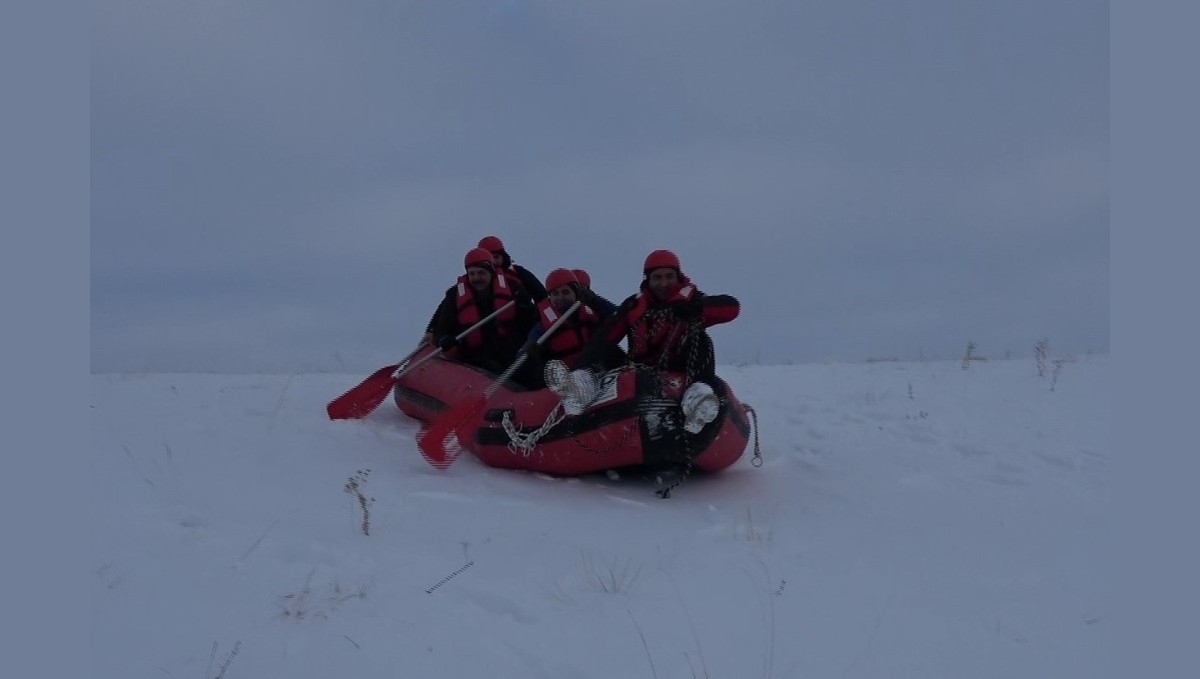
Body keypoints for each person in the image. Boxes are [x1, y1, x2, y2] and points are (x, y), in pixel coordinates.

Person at [558, 249, 740, 432]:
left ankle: (699, 398)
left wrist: (696, 308)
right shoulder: (634, 306)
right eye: (657, 277)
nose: (663, 283)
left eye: (669, 276)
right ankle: (581, 387)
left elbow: (731, 307)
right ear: (648, 280)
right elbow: (604, 338)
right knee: (606, 350)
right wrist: (579, 368)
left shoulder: (692, 300)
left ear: (678, 277)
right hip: (638, 371)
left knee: (701, 339)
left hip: (679, 368)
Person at [428, 247, 537, 374]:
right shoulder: (455, 295)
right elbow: (443, 326)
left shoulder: (513, 289)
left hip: (509, 353)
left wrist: (526, 307)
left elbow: (529, 323)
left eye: (481, 273)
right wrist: (444, 339)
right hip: (472, 356)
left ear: (491, 272)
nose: (476, 278)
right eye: (472, 274)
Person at [513, 268, 612, 389]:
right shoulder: (543, 326)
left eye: (565, 292)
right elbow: (523, 355)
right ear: (550, 297)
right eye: (555, 293)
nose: (560, 297)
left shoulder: (590, 314)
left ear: (576, 294)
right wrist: (528, 352)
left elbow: (620, 315)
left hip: (596, 374)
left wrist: (595, 300)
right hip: (566, 385)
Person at [478, 235, 548, 302]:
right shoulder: (474, 278)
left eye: (496, 257)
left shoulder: (519, 273)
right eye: (488, 259)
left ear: (503, 257)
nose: (493, 262)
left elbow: (541, 294)